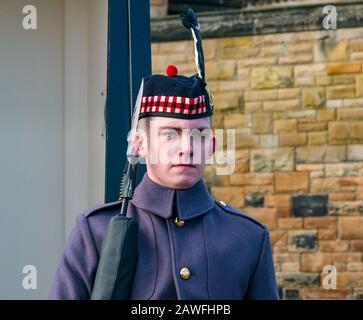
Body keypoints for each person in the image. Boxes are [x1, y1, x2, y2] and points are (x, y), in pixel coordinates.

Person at [49, 9, 279, 300]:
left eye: (199, 135)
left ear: (212, 146)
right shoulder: (95, 231)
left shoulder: (247, 238)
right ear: (139, 145)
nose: (187, 147)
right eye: (170, 134)